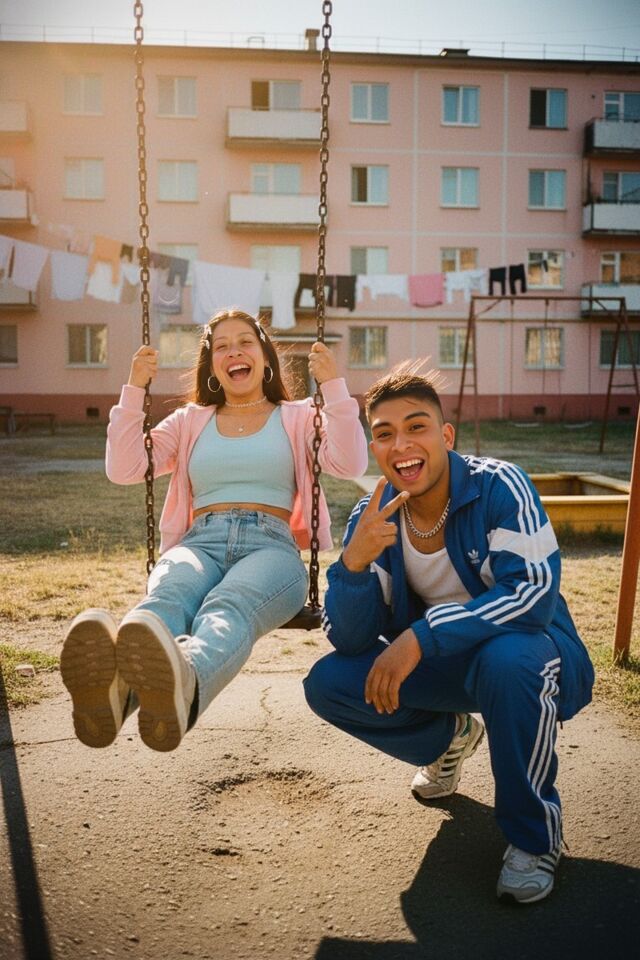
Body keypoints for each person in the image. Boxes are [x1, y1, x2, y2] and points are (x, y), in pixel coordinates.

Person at [303, 366, 594, 904]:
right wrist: (354, 565)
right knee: (329, 683)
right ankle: (451, 738)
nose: (402, 444)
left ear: (446, 435)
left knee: (509, 660)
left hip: (533, 657)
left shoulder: (499, 485)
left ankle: (535, 838)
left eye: (417, 427)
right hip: (445, 669)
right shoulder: (373, 516)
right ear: (375, 448)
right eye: (385, 433)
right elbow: (350, 640)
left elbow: (531, 594)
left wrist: (421, 636)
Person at [61, 309, 368, 753]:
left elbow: (350, 461)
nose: (234, 352)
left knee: (229, 604)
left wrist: (333, 385)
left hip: (271, 547)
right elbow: (125, 467)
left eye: (245, 342)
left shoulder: (299, 416)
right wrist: (133, 389)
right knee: (166, 599)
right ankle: (117, 693)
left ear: (265, 357)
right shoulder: (190, 421)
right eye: (222, 346)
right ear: (211, 364)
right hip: (199, 543)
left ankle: (185, 679)